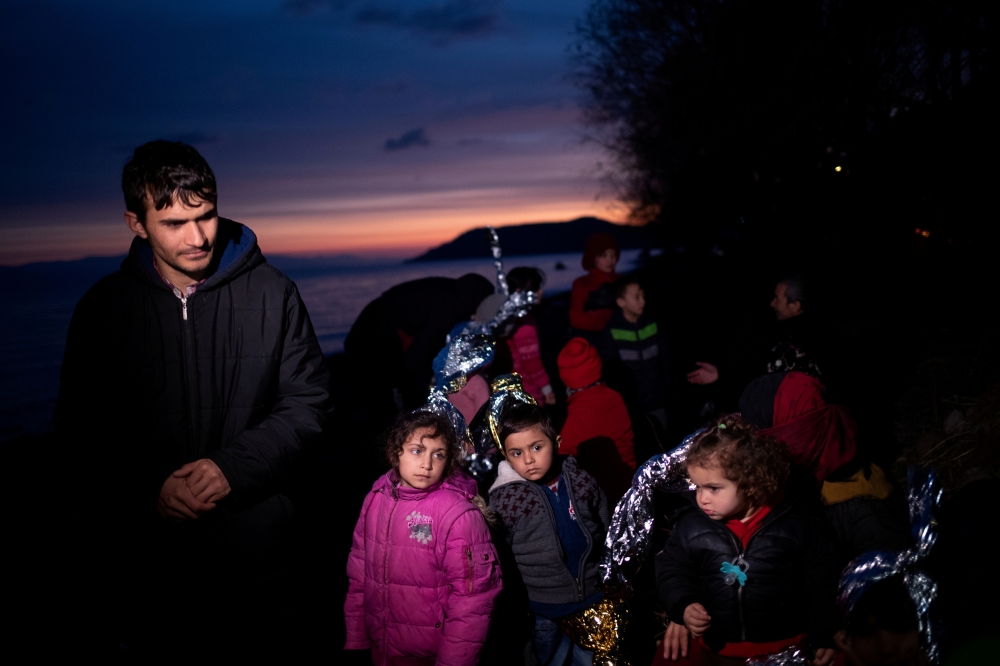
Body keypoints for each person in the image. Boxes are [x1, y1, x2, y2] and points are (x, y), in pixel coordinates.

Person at [54, 140, 331, 653]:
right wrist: (147, 490)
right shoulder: (103, 310)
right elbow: (80, 432)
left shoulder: (274, 292)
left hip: (259, 554)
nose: (199, 237)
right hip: (147, 562)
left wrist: (232, 468)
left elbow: (308, 404)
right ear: (136, 223)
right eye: (174, 224)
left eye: (205, 215)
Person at [655, 416, 840, 666]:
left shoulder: (798, 525)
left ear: (751, 484)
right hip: (718, 650)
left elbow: (823, 582)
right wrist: (684, 605)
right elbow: (673, 571)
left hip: (786, 649)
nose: (702, 499)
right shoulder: (691, 527)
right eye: (697, 487)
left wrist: (824, 634)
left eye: (713, 488)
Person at [344, 410, 502, 665]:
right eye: (417, 450)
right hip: (380, 649)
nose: (427, 464)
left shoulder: (458, 515)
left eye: (437, 454)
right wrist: (357, 639)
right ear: (396, 452)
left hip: (431, 656)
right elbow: (359, 575)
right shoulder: (376, 498)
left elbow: (473, 602)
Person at [738, 372, 911, 559]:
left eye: (757, 429)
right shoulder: (816, 479)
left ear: (791, 434)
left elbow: (894, 575)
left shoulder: (861, 510)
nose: (752, 445)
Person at [489, 402, 611, 666]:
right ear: (505, 456)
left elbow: (603, 521)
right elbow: (503, 554)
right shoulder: (505, 498)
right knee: (550, 659)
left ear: (556, 442)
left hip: (592, 596)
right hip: (545, 607)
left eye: (536, 447)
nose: (528, 460)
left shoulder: (580, 479)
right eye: (517, 453)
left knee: (588, 659)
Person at [345, 273, 494, 415]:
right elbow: (420, 354)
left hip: (379, 324)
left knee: (396, 384)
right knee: (380, 392)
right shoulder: (450, 308)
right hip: (372, 333)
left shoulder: (451, 292)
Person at [558, 337, 636, 501]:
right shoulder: (616, 398)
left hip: (602, 498)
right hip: (631, 484)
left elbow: (561, 459)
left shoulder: (574, 416)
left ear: (566, 376)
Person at [600, 274, 671, 431]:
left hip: (658, 402)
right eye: (637, 297)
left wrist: (666, 389)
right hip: (630, 409)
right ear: (621, 302)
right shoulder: (612, 331)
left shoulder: (653, 324)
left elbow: (666, 360)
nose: (643, 301)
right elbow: (612, 373)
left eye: (643, 296)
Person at [495, 266, 555, 405]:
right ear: (519, 292)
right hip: (528, 391)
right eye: (535, 289)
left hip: (505, 390)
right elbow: (532, 362)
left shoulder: (501, 317)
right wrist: (547, 389)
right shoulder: (524, 324)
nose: (540, 292)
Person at [569, 233, 620, 341]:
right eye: (604, 255)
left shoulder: (623, 281)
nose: (610, 260)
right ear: (593, 257)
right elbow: (576, 318)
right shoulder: (582, 283)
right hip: (593, 341)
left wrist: (597, 315)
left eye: (613, 255)